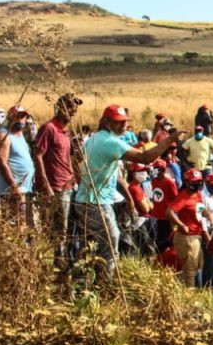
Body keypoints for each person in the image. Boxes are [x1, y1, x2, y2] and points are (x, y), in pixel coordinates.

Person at [73, 105, 184, 275]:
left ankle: (87, 282)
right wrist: (169, 140)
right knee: (111, 246)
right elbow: (145, 157)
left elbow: (79, 161)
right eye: (118, 122)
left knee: (92, 247)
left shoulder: (94, 139)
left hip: (83, 201)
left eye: (125, 122)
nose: (123, 125)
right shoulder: (111, 142)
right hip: (97, 204)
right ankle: (105, 287)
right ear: (107, 122)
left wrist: (83, 182)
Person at [34, 93, 81, 253]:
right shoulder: (49, 128)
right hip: (57, 187)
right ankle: (58, 266)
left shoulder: (66, 131)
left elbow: (69, 158)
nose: (73, 110)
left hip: (70, 185)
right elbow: (38, 155)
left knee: (71, 229)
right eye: (69, 107)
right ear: (60, 108)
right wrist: (46, 185)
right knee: (58, 230)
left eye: (74, 107)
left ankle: (66, 263)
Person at [166, 169, 212, 287]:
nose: (196, 185)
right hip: (187, 237)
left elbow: (199, 207)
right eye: (193, 182)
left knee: (196, 265)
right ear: (187, 182)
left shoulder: (197, 194)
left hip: (196, 235)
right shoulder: (183, 196)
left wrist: (207, 214)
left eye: (198, 182)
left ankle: (179, 287)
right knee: (190, 269)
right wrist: (181, 225)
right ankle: (188, 294)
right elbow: (169, 212)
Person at [0, 106, 36, 226]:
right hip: (12, 188)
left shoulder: (20, 135)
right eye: (18, 116)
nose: (21, 120)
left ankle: (22, 243)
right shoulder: (4, 135)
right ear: (10, 117)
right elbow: (2, 162)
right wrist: (14, 186)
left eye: (24, 117)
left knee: (23, 222)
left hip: (25, 187)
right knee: (14, 222)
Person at [149, 159, 179, 253]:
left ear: (163, 170)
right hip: (155, 215)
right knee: (158, 240)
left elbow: (175, 199)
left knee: (167, 240)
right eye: (154, 168)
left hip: (166, 217)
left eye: (157, 169)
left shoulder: (169, 182)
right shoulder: (153, 180)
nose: (155, 170)